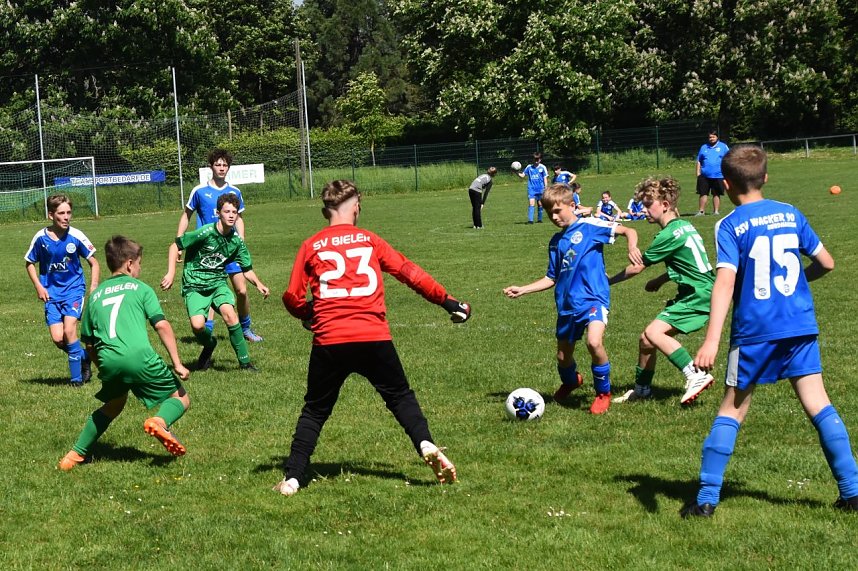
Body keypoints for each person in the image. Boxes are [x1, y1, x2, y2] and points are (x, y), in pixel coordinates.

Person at [682, 145, 858, 517]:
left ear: (725, 184)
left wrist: (711, 339)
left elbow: (725, 283)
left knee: (732, 409)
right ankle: (852, 492)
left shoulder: (728, 225)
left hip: (755, 331)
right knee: (818, 404)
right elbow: (826, 263)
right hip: (799, 324)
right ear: (765, 178)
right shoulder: (790, 213)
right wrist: (796, 282)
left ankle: (706, 500)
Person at [274, 180, 472, 496]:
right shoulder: (368, 240)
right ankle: (425, 443)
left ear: (326, 211)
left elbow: (291, 296)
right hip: (372, 336)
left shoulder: (311, 245)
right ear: (355, 206)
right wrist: (449, 302)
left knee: (315, 410)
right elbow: (410, 273)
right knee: (399, 396)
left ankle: (293, 478)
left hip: (330, 340)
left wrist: (308, 314)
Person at [503, 183, 642, 415]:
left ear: (573, 205)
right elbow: (551, 277)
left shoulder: (590, 226)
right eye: (549, 213)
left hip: (593, 299)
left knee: (594, 342)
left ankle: (602, 392)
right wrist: (523, 289)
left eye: (558, 211)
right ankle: (571, 381)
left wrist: (632, 246)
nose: (554, 217)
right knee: (563, 355)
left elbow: (629, 230)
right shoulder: (555, 242)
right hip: (567, 305)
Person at [58, 236, 190, 471]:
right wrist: (177, 363)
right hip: (139, 357)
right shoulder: (141, 289)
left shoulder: (96, 296)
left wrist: (103, 367)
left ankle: (74, 456)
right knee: (180, 398)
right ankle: (160, 422)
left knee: (114, 404)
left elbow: (88, 343)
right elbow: (161, 325)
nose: (139, 268)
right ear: (130, 264)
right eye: (139, 263)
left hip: (108, 360)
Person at [608, 177, 715, 405]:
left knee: (655, 333)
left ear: (665, 205)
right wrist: (661, 278)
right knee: (646, 340)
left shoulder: (666, 235)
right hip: (701, 289)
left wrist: (607, 282)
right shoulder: (684, 226)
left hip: (698, 294)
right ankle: (642, 390)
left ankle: (695, 373)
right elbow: (687, 263)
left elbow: (636, 267)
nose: (643, 210)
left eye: (648, 205)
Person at [161, 193, 270, 372]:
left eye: (234, 212)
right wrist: (171, 273)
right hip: (194, 284)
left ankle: (245, 363)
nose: (231, 215)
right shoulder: (205, 233)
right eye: (227, 211)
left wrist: (258, 284)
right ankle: (210, 344)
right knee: (197, 326)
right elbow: (175, 246)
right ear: (218, 212)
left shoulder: (236, 242)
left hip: (218, 283)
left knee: (231, 315)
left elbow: (246, 268)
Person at [177, 148, 263, 342]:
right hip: (206, 251)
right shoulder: (199, 191)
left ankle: (246, 328)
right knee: (208, 288)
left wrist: (240, 239)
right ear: (211, 166)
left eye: (225, 165)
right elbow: (186, 216)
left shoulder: (234, 192)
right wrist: (179, 243)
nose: (221, 168)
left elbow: (239, 218)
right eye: (218, 164)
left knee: (241, 290)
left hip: (228, 250)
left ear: (228, 168)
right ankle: (206, 334)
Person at [25, 194, 100, 387]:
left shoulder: (76, 236)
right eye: (61, 213)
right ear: (51, 215)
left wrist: (93, 286)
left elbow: (94, 262)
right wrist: (39, 286)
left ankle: (77, 379)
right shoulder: (41, 238)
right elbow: (29, 263)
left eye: (68, 212)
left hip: (74, 291)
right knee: (58, 339)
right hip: (51, 294)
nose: (66, 217)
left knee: (69, 331)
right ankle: (84, 356)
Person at [695, 130, 729, 216]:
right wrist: (698, 173)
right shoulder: (703, 147)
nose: (711, 139)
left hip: (718, 175)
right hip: (704, 175)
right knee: (703, 193)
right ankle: (701, 211)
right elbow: (699, 161)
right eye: (710, 137)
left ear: (717, 137)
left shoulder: (723, 147)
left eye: (713, 137)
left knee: (716, 193)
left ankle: (716, 211)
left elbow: (729, 159)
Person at [517, 152, 549, 224]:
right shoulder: (529, 167)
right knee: (531, 204)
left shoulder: (543, 167)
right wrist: (516, 172)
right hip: (531, 189)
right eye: (535, 159)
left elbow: (545, 178)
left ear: (540, 159)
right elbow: (522, 175)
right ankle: (530, 220)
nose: (536, 161)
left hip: (540, 188)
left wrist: (546, 187)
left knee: (540, 204)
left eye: (537, 159)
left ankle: (539, 219)